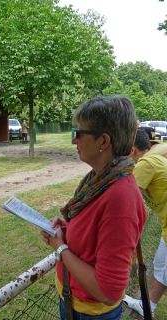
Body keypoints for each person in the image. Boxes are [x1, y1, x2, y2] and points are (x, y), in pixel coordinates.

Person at [41, 96, 146, 320]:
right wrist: (68, 229)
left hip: (90, 314)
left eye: (78, 134)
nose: (73, 141)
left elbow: (108, 291)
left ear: (103, 141)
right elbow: (95, 236)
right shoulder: (99, 181)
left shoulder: (119, 197)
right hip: (73, 302)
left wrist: (60, 248)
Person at [124, 129, 167, 317]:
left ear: (132, 150)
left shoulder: (145, 164)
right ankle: (149, 305)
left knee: (162, 266)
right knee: (162, 265)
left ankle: (148, 305)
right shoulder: (153, 160)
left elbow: (126, 198)